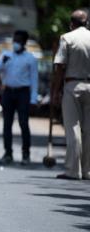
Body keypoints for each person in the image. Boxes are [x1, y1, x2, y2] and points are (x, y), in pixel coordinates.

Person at [52, 10, 90, 180]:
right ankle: (88, 170)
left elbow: (60, 67)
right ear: (87, 23)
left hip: (72, 85)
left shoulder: (66, 38)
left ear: (71, 23)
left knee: (73, 129)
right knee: (88, 130)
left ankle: (73, 170)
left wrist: (55, 91)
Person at [0, 30, 38, 165]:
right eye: (15, 40)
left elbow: (34, 79)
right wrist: (2, 63)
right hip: (8, 92)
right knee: (7, 124)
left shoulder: (30, 58)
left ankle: (26, 154)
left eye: (19, 41)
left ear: (24, 42)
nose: (16, 43)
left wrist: (33, 99)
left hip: (23, 93)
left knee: (23, 123)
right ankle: (8, 153)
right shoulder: (6, 55)